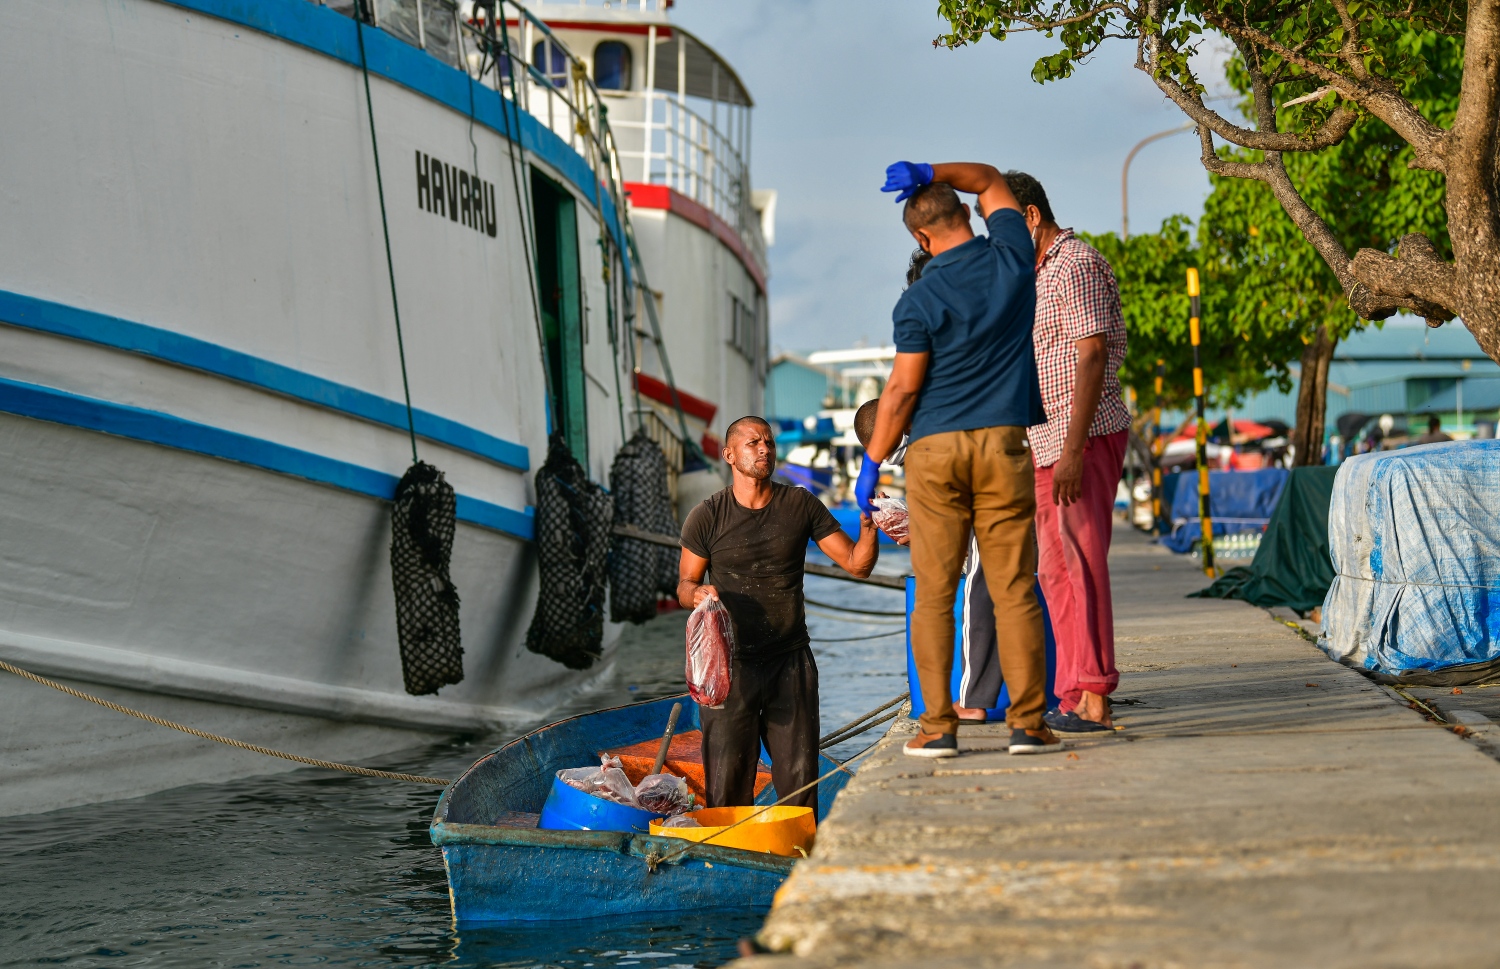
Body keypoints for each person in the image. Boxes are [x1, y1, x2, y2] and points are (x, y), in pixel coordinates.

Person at [858, 160, 1061, 758]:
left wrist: (871, 466)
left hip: (934, 452)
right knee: (1014, 586)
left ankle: (939, 730)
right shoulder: (1012, 258)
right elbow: (990, 177)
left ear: (920, 238)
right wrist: (930, 169)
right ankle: (1027, 725)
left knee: (937, 592)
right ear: (968, 214)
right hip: (1002, 443)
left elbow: (899, 394)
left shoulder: (917, 302)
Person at [678, 416, 880, 808]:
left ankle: (797, 860)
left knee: (800, 786)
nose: (764, 449)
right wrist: (698, 592)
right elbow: (685, 585)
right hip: (729, 669)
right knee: (727, 789)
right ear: (730, 455)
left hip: (790, 664)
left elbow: (857, 564)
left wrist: (870, 530)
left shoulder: (800, 504)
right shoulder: (707, 516)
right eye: (754, 443)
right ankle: (729, 858)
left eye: (768, 442)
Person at [1003, 172, 1130, 737]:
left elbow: (1093, 354)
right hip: (1043, 442)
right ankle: (1073, 689)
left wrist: (1074, 450)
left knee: (1081, 562)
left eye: (1005, 228)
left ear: (1031, 216)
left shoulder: (1074, 264)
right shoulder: (1032, 276)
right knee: (1053, 571)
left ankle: (1097, 692)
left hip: (1083, 437)